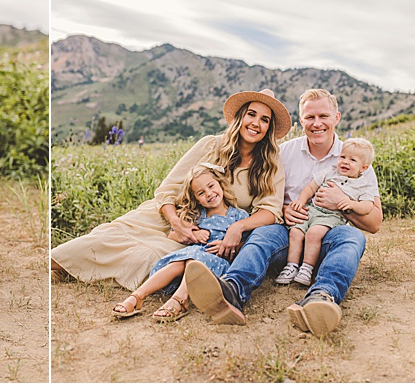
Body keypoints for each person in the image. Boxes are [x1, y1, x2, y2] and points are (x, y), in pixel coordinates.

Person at [186, 89, 382, 337]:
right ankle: (232, 288)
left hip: (327, 234)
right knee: (264, 234)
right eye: (310, 117)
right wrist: (284, 209)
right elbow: (264, 197)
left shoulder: (355, 157)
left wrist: (341, 203)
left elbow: (375, 223)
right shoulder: (283, 152)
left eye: (324, 116)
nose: (317, 123)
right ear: (301, 120)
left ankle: (321, 298)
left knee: (354, 238)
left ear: (337, 118)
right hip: (287, 236)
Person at [51, 89, 289, 292]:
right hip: (171, 216)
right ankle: (60, 266)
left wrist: (238, 227)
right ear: (240, 117)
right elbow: (168, 188)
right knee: (104, 239)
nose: (256, 123)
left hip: (208, 231)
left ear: (269, 127)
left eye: (265, 119)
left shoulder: (270, 163)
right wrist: (176, 222)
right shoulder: (210, 145)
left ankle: (78, 273)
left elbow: (270, 210)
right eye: (251, 114)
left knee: (149, 257)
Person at [111, 163, 249, 322]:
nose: (209, 194)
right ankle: (137, 297)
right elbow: (172, 236)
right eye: (201, 193)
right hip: (191, 257)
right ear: (196, 199)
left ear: (220, 184)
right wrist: (194, 235)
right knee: (180, 261)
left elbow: (247, 244)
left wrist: (227, 245)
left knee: (193, 261)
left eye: (211, 186)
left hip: (216, 263)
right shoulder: (197, 216)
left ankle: (179, 300)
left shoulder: (238, 216)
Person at [274, 138, 378, 286]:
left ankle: (307, 268)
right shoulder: (330, 172)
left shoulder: (363, 185)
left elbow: (367, 206)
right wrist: (301, 201)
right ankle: (291, 266)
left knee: (313, 233)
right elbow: (311, 187)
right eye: (342, 157)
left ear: (364, 168)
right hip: (312, 210)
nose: (345, 162)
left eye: (352, 160)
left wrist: (351, 204)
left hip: (331, 216)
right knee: (296, 231)